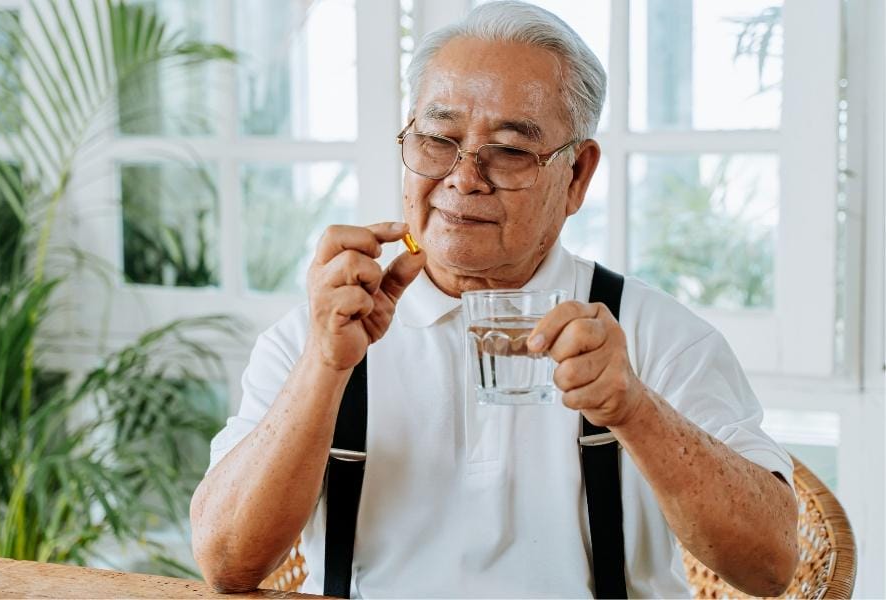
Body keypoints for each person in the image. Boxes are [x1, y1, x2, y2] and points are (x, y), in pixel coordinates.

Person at [189, 2, 799, 597]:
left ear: (577, 176)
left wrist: (635, 409)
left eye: (509, 150)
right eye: (437, 138)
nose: (463, 177)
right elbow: (227, 565)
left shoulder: (656, 334)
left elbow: (771, 567)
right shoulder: (317, 334)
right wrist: (325, 366)